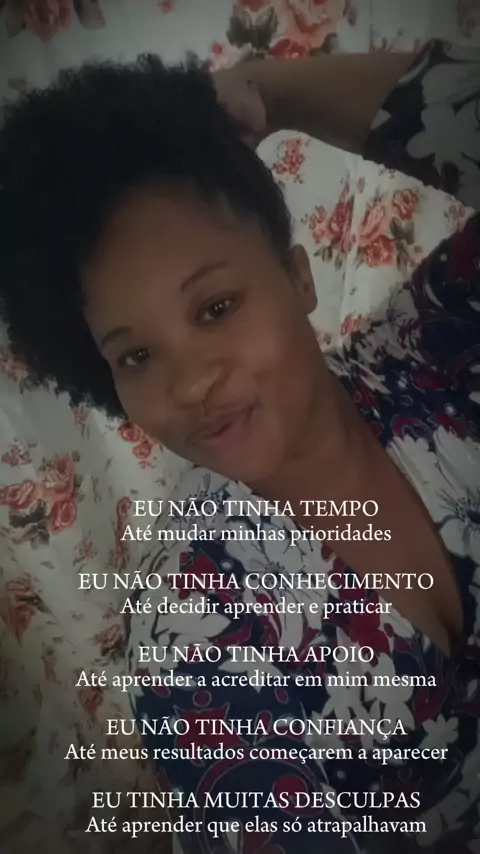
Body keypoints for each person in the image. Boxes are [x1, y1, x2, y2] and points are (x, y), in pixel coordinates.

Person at [0, 37, 479, 854]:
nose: (190, 384)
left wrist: (272, 92)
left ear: (298, 278)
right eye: (136, 355)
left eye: (215, 307)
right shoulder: (194, 639)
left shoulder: (427, 353)